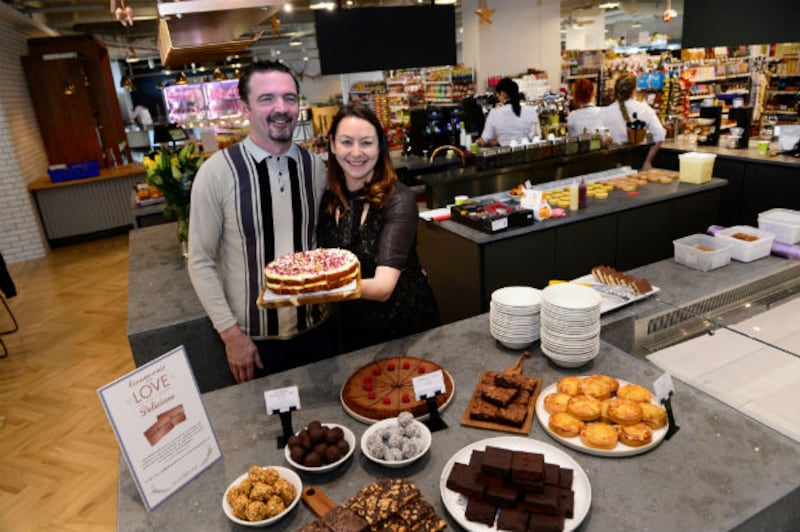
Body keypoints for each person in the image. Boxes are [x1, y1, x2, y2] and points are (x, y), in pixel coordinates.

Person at [188, 61, 334, 384]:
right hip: (253, 344)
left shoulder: (315, 167)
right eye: (267, 99)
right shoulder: (217, 173)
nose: (281, 108)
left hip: (317, 330)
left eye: (289, 98)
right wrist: (231, 335)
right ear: (245, 109)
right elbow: (200, 261)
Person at [318, 104, 440, 353]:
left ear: (379, 147)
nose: (356, 152)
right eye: (346, 142)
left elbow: (383, 288)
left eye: (366, 143)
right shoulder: (330, 201)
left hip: (404, 327)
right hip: (353, 330)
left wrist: (320, 288)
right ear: (332, 145)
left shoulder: (398, 199)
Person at [600, 72, 666, 170]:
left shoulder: (605, 112)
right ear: (634, 90)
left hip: (612, 165)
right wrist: (647, 161)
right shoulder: (644, 109)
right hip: (637, 163)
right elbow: (660, 134)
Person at [478, 77, 541, 147]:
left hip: (504, 155)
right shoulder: (530, 111)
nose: (497, 97)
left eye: (497, 94)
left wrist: (495, 142)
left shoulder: (494, 113)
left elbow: (484, 140)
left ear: (502, 93)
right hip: (528, 154)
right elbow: (536, 137)